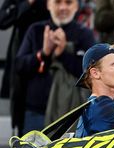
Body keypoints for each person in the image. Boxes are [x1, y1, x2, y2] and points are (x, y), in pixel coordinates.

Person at [15, 0, 96, 134]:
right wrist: (44, 53)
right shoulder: (35, 30)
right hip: (36, 113)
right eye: (57, 2)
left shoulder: (85, 34)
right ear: (48, 4)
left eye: (68, 2)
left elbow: (92, 74)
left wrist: (63, 53)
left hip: (72, 116)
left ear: (76, 6)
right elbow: (19, 66)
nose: (63, 7)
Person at [0, 0, 50, 135]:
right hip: (23, 59)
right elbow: (1, 20)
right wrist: (27, 3)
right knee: (21, 107)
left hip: (49, 59)